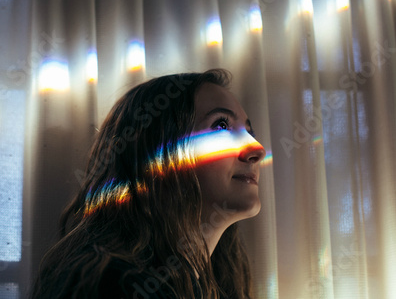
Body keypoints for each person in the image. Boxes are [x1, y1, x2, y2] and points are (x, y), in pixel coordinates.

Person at [30, 69, 266, 298]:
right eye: (221, 125)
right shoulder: (112, 284)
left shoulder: (212, 284)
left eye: (248, 130)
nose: (257, 148)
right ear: (157, 153)